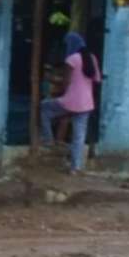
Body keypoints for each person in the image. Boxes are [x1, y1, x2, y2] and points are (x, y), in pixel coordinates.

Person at [53, 42, 98, 170]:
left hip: (71, 100)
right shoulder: (92, 58)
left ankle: (54, 144)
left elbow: (66, 81)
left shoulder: (71, 59)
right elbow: (97, 80)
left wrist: (64, 94)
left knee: (51, 113)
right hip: (86, 103)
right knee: (79, 135)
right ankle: (75, 167)